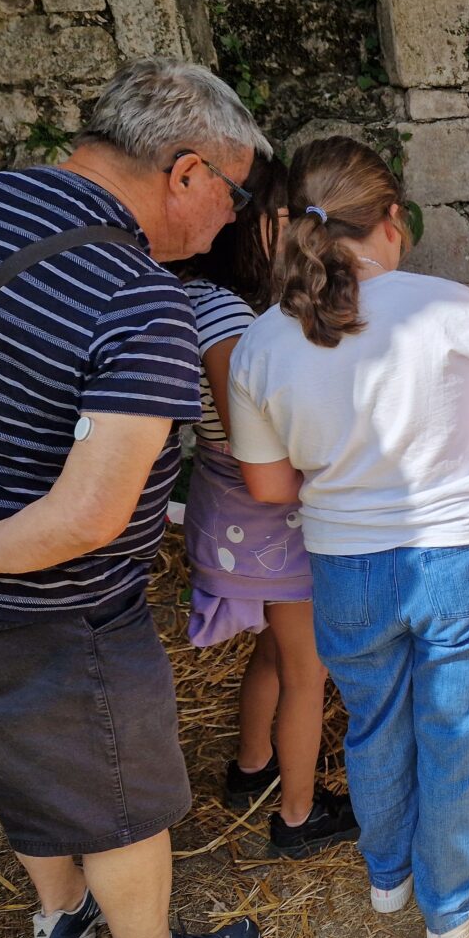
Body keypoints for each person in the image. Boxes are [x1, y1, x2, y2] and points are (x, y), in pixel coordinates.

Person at [0, 58, 262, 938]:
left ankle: (60, 920)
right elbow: (90, 513)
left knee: (18, 763)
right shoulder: (137, 296)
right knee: (120, 793)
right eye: (232, 192)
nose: (230, 217)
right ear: (185, 173)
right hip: (51, 610)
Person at [226, 136, 469, 938]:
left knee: (373, 720)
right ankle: (452, 900)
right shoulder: (450, 309)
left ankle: (388, 876)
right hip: (464, 555)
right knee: (456, 727)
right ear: (392, 221)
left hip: (343, 563)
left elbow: (269, 487)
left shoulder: (263, 342)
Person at [179, 154, 358, 858]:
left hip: (227, 507)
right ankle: (297, 813)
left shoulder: (194, 296)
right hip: (263, 515)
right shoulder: (227, 315)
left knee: (276, 654)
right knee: (307, 671)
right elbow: (244, 425)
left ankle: (252, 768)